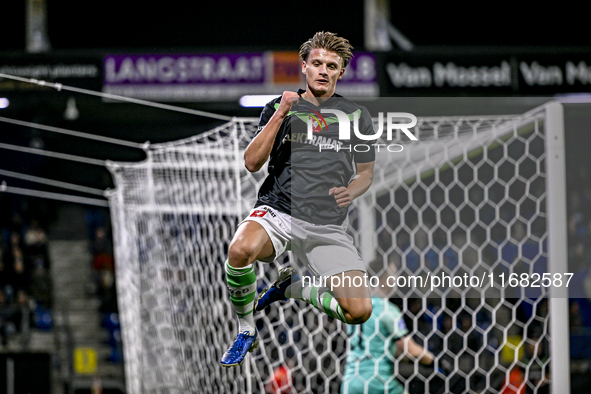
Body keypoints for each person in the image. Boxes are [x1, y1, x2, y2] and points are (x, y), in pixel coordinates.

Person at [220, 31, 377, 367]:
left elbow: (366, 172)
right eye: (317, 63)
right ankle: (246, 329)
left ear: (341, 72)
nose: (323, 70)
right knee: (239, 250)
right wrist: (282, 113)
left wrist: (352, 189)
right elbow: (251, 163)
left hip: (326, 224)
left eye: (331, 66)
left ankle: (291, 288)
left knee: (359, 311)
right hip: (279, 210)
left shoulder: (356, 116)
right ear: (304, 67)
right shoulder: (279, 107)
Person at [341, 262, 435, 394]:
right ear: (385, 279)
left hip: (350, 383)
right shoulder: (387, 310)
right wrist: (435, 361)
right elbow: (411, 350)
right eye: (394, 275)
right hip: (377, 382)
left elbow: (377, 346)